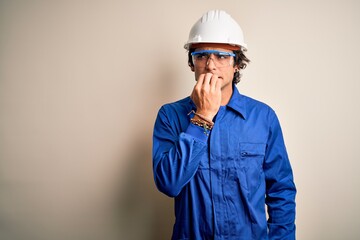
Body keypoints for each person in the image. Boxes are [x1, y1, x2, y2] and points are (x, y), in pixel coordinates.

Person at [152, 9, 296, 240]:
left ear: (237, 63)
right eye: (201, 56)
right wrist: (202, 117)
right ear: (192, 64)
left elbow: (281, 192)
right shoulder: (170, 116)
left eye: (221, 56)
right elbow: (169, 184)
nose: (210, 65)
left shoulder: (263, 117)